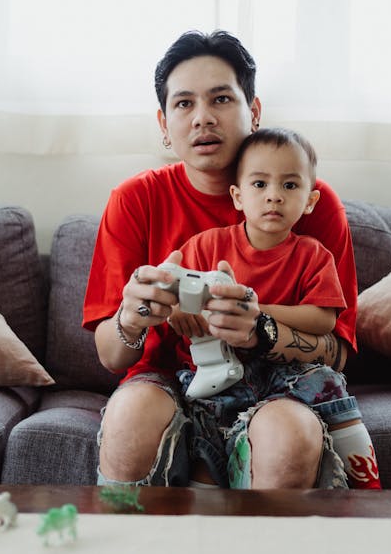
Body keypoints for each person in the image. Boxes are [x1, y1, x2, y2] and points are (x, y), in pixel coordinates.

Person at [82, 29, 374, 489]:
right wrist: (135, 316)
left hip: (275, 387)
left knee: (289, 434)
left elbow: (336, 354)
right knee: (131, 414)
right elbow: (111, 355)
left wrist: (261, 329)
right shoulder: (135, 199)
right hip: (166, 380)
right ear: (163, 123)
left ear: (253, 111)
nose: (202, 118)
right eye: (183, 104)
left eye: (220, 99)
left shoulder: (309, 202)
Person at [169, 127, 380, 489]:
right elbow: (175, 292)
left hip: (291, 372)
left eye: (290, 186)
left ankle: (366, 487)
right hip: (220, 371)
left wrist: (255, 309)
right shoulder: (206, 245)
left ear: (311, 201)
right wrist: (177, 311)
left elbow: (323, 318)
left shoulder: (314, 254)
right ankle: (204, 517)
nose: (274, 197)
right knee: (202, 422)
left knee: (329, 385)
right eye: (260, 185)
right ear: (237, 196)